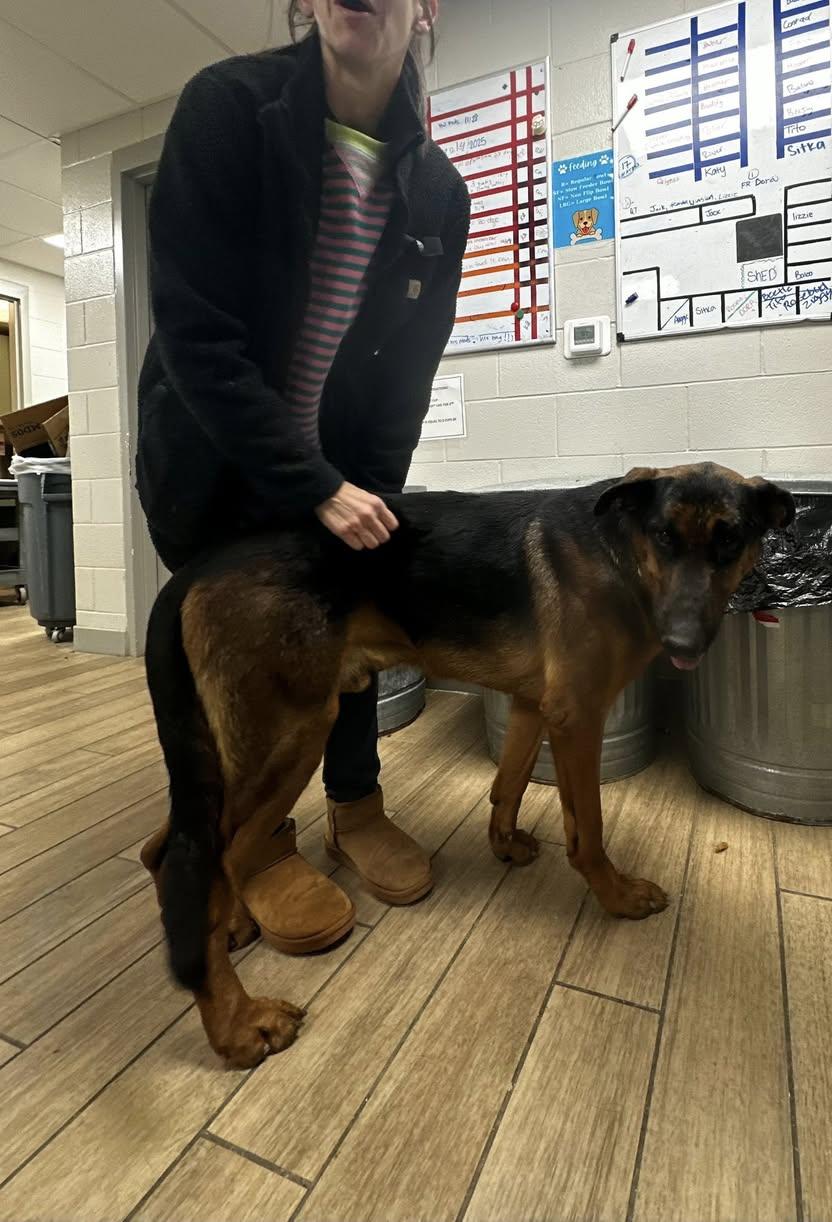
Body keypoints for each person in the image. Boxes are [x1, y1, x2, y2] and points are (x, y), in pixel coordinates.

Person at [136, 0, 469, 954]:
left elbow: (408, 375)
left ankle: (356, 806)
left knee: (351, 622)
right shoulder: (227, 110)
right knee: (247, 660)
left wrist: (371, 492)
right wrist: (312, 483)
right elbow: (198, 340)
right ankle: (255, 841)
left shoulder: (438, 191)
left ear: (426, 6)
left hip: (345, 459)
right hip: (212, 458)